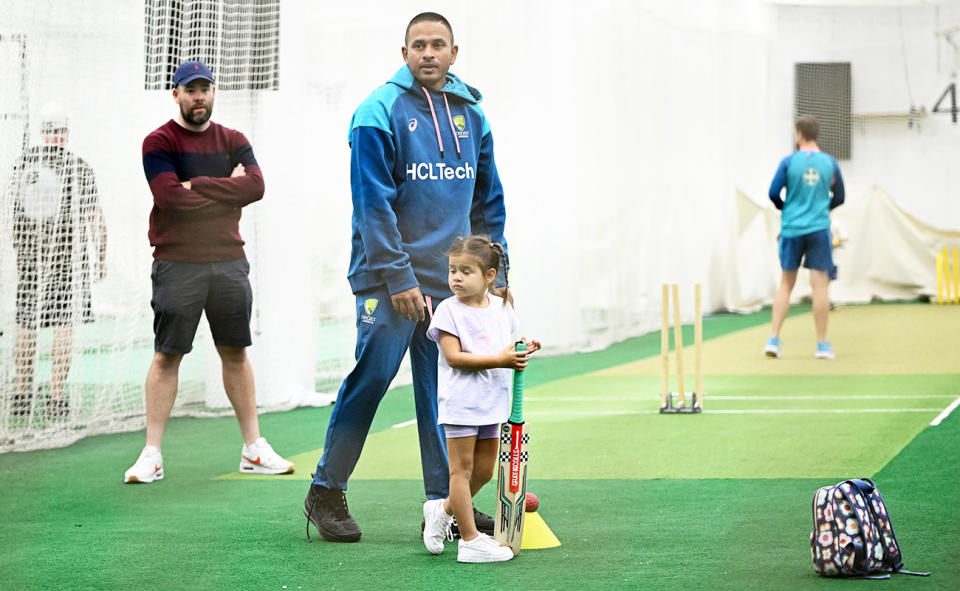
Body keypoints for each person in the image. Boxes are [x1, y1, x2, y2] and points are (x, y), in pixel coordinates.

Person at [303, 12, 509, 543]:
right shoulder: (376, 112)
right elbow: (373, 206)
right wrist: (398, 279)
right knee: (373, 376)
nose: (428, 54)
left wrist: (495, 271)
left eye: (438, 45)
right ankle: (326, 489)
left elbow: (488, 200)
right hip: (386, 280)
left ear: (454, 53)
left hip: (450, 284)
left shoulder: (474, 116)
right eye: (418, 46)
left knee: (443, 391)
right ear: (404, 53)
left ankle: (444, 505)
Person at [125, 60, 293, 483]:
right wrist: (225, 188)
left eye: (205, 89)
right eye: (190, 89)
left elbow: (256, 187)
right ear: (176, 94)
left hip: (228, 262)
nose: (199, 96)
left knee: (235, 351)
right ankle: (152, 454)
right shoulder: (157, 142)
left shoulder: (234, 139)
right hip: (177, 262)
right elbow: (169, 199)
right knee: (168, 355)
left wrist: (195, 184)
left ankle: (253, 449)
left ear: (214, 92)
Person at [421, 236, 540, 563]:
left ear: (489, 275)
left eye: (466, 271)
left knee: (485, 472)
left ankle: (441, 511)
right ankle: (470, 540)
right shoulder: (447, 311)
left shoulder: (502, 307)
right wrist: (500, 360)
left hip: (492, 403)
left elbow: (507, 344)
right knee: (461, 471)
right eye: (452, 270)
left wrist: (522, 349)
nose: (456, 277)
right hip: (461, 404)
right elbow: (454, 357)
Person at [8, 102, 107, 421]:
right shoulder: (79, 166)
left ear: (42, 131)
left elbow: (13, 214)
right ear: (64, 133)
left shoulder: (24, 165)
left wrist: (19, 253)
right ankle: (56, 396)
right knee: (63, 325)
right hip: (68, 261)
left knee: (27, 323)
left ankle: (22, 393)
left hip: (30, 259)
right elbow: (96, 219)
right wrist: (101, 257)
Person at [765, 115, 845, 359]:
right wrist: (821, 209)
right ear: (816, 134)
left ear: (799, 134)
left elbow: (773, 193)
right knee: (820, 285)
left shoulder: (789, 162)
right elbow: (840, 196)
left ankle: (774, 340)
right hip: (819, 229)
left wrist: (787, 209)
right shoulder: (829, 163)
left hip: (791, 229)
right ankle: (822, 344)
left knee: (786, 283)